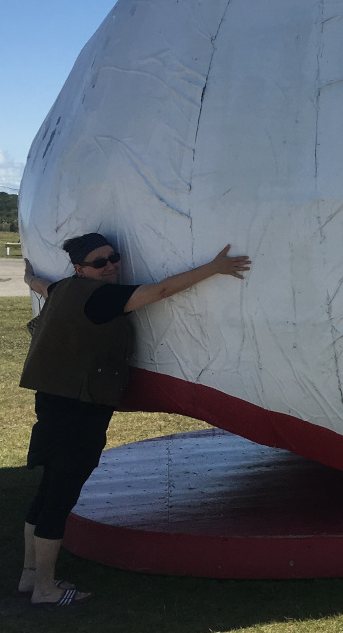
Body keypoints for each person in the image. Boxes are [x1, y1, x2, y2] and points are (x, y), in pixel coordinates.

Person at [18, 233, 251, 606]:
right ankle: (45, 589)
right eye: (99, 263)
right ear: (80, 268)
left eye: (114, 257)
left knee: (48, 488)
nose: (110, 266)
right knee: (60, 497)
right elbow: (160, 291)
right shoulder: (104, 298)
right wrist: (214, 268)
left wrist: (29, 277)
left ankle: (30, 577)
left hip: (51, 405)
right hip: (80, 411)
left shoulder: (64, 289)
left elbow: (42, 285)